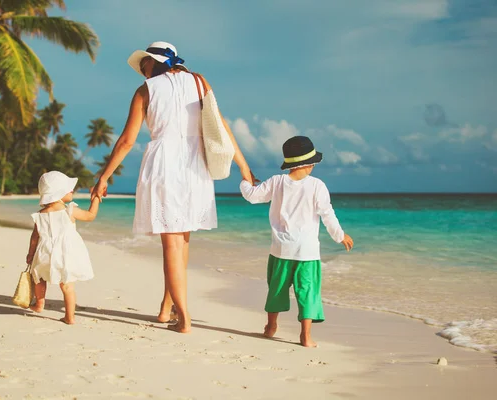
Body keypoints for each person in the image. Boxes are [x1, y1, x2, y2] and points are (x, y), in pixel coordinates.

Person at [91, 41, 256, 333]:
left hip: (164, 165)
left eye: (145, 66)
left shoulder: (146, 91)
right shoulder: (198, 80)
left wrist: (104, 177)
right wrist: (243, 166)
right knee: (181, 241)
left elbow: (127, 141)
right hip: (195, 168)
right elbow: (220, 125)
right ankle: (166, 309)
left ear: (155, 62)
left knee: (171, 244)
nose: (143, 73)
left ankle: (184, 316)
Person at [240, 136, 354, 347]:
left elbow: (252, 196)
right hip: (307, 253)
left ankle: (271, 327)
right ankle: (305, 336)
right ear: (309, 164)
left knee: (276, 289)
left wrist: (246, 180)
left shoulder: (276, 182)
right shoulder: (317, 186)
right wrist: (340, 235)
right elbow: (327, 214)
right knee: (308, 292)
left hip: (280, 250)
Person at [26, 171, 99, 324]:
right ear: (58, 194)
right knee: (67, 286)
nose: (72, 190)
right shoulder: (69, 210)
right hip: (66, 254)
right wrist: (96, 199)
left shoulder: (40, 214)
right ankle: (69, 317)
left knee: (38, 277)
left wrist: (30, 254)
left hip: (44, 252)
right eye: (68, 189)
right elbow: (90, 216)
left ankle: (39, 304)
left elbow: (35, 237)